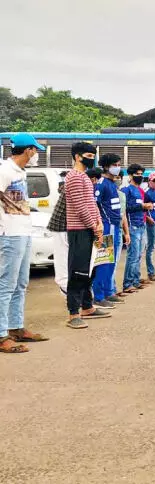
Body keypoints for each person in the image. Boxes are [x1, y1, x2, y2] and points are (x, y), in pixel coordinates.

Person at [0, 134, 49, 353]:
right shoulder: (5, 170)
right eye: (35, 150)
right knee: (6, 285)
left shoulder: (19, 172)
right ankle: (1, 335)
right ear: (28, 150)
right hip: (9, 234)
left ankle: (15, 327)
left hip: (23, 231)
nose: (36, 155)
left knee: (21, 283)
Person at [65, 142, 110, 329]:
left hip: (91, 228)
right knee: (78, 272)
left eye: (93, 156)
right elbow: (80, 207)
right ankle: (73, 313)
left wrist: (98, 223)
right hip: (79, 230)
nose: (91, 159)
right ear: (77, 156)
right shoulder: (75, 177)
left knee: (90, 269)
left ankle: (87, 306)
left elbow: (92, 204)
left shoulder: (84, 177)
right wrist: (94, 226)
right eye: (88, 156)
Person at [91, 154, 126, 308]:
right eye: (115, 164)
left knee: (111, 262)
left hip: (115, 225)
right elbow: (95, 204)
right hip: (106, 226)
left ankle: (107, 292)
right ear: (106, 167)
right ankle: (98, 296)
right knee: (103, 261)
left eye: (119, 164)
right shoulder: (102, 184)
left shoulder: (112, 184)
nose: (118, 167)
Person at [122, 164, 151, 293]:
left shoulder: (140, 191)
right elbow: (125, 209)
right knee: (132, 255)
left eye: (141, 174)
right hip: (132, 225)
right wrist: (142, 207)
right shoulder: (126, 190)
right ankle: (128, 283)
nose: (140, 176)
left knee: (139, 255)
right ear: (130, 175)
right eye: (137, 174)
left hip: (141, 224)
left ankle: (135, 280)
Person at [48, 171, 70, 298]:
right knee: (63, 262)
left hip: (68, 228)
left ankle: (68, 291)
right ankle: (66, 290)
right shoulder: (69, 187)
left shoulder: (66, 187)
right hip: (61, 228)